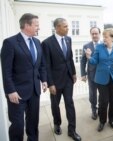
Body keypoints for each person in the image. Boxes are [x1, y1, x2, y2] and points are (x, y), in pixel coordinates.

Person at [0, 13, 47, 141]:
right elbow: (6, 71)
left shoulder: (37, 42)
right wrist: (10, 91)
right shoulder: (10, 43)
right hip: (17, 94)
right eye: (36, 25)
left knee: (33, 124)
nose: (39, 28)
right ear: (27, 25)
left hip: (34, 91)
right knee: (18, 126)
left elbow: (41, 64)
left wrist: (44, 80)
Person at [41, 18, 81, 141]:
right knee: (55, 104)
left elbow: (69, 58)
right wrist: (50, 83)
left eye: (67, 26)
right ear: (57, 28)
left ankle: (72, 130)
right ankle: (57, 123)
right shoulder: (47, 43)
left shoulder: (68, 39)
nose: (68, 28)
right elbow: (46, 65)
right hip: (55, 82)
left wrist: (73, 73)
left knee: (70, 103)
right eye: (65, 26)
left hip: (68, 78)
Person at [85, 28, 113, 132]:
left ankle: (111, 120)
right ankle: (102, 121)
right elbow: (94, 61)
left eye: (106, 37)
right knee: (103, 101)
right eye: (103, 37)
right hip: (101, 79)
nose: (104, 39)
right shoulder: (99, 47)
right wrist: (89, 57)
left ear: (112, 37)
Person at [80, 27, 101, 120]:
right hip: (91, 74)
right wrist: (83, 74)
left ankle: (101, 109)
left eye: (96, 33)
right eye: (93, 34)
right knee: (92, 94)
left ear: (99, 34)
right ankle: (94, 110)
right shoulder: (86, 46)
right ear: (91, 35)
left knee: (103, 94)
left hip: (102, 75)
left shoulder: (104, 45)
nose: (94, 35)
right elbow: (83, 61)